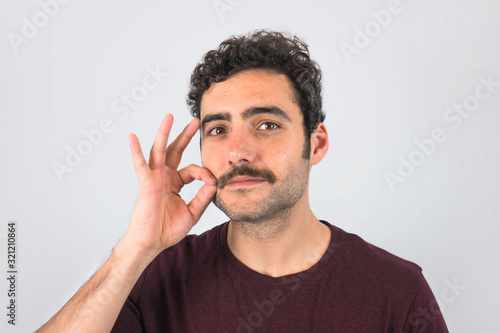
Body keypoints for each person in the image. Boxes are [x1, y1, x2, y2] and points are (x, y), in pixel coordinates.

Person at [37, 30, 448, 332]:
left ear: (316, 143)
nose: (238, 151)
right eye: (218, 130)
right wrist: (134, 249)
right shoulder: (154, 277)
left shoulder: (397, 291)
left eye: (267, 124)